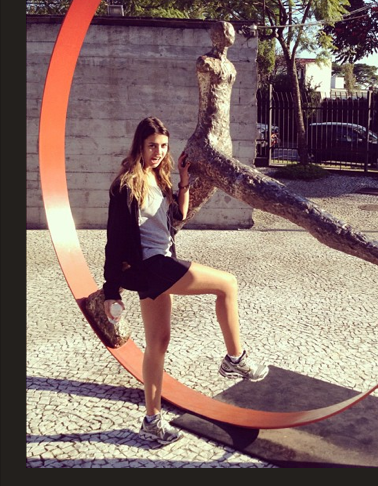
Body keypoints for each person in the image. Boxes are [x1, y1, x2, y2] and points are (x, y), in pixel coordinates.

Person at [102, 116, 269, 445]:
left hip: (159, 265)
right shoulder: (126, 185)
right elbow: (114, 239)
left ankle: (152, 420)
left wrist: (183, 181)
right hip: (152, 266)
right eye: (152, 146)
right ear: (139, 146)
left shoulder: (158, 178)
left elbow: (178, 216)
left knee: (158, 344)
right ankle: (235, 359)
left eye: (163, 146)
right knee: (227, 284)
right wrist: (111, 290)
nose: (158, 152)